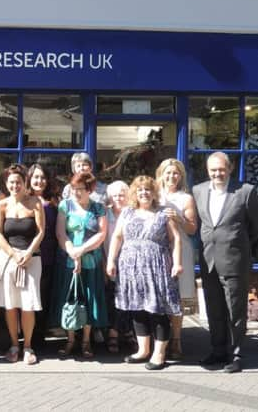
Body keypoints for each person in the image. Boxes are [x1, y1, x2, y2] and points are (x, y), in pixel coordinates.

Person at [107, 176, 182, 371]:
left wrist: (178, 263)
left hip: (156, 268)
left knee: (157, 310)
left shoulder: (164, 213)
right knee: (137, 309)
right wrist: (110, 260)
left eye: (148, 190)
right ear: (135, 193)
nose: (144, 193)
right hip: (130, 267)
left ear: (154, 192)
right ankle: (143, 350)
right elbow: (117, 237)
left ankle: (159, 353)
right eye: (140, 190)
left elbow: (176, 239)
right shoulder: (127, 212)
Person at [192, 152, 258, 373]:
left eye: (221, 169)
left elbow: (254, 227)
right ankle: (218, 350)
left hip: (234, 260)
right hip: (208, 260)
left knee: (235, 312)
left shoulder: (245, 191)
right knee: (214, 309)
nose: (217, 174)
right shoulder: (198, 190)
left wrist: (240, 248)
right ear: (207, 171)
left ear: (230, 169)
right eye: (213, 170)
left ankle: (236, 354)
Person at [0, 164, 45, 364]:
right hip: (8, 258)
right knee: (11, 305)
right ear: (6, 184)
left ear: (24, 183)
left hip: (31, 259)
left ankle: (28, 346)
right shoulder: (1, 205)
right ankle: (14, 345)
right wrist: (13, 254)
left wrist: (29, 253)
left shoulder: (35, 202)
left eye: (18, 182)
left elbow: (41, 231)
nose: (15, 185)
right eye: (11, 182)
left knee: (28, 305)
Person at [56, 172, 107, 359]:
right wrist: (73, 252)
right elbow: (61, 234)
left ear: (90, 189)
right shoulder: (65, 206)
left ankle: (86, 340)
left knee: (89, 299)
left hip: (91, 261)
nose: (76, 193)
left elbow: (101, 235)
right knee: (70, 299)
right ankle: (70, 339)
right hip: (69, 261)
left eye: (80, 189)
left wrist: (81, 251)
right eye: (74, 189)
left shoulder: (98, 208)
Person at [156, 158, 198, 360]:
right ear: (161, 174)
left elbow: (192, 228)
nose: (171, 176)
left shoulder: (186, 198)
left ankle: (177, 340)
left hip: (181, 250)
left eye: (175, 173)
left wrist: (179, 217)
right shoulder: (154, 194)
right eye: (168, 172)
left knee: (178, 296)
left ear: (181, 176)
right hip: (158, 250)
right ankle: (159, 340)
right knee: (159, 295)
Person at [27, 163, 58, 349]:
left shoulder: (54, 202)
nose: (39, 181)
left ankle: (39, 336)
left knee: (43, 297)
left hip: (48, 256)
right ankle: (26, 336)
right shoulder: (23, 199)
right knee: (28, 297)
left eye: (42, 177)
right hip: (28, 255)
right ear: (29, 179)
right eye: (35, 177)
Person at [103, 180, 135, 353]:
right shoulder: (105, 214)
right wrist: (105, 262)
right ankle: (117, 332)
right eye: (115, 195)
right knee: (112, 298)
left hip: (129, 263)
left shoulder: (132, 213)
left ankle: (122, 331)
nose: (118, 199)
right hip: (109, 261)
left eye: (122, 195)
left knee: (127, 298)